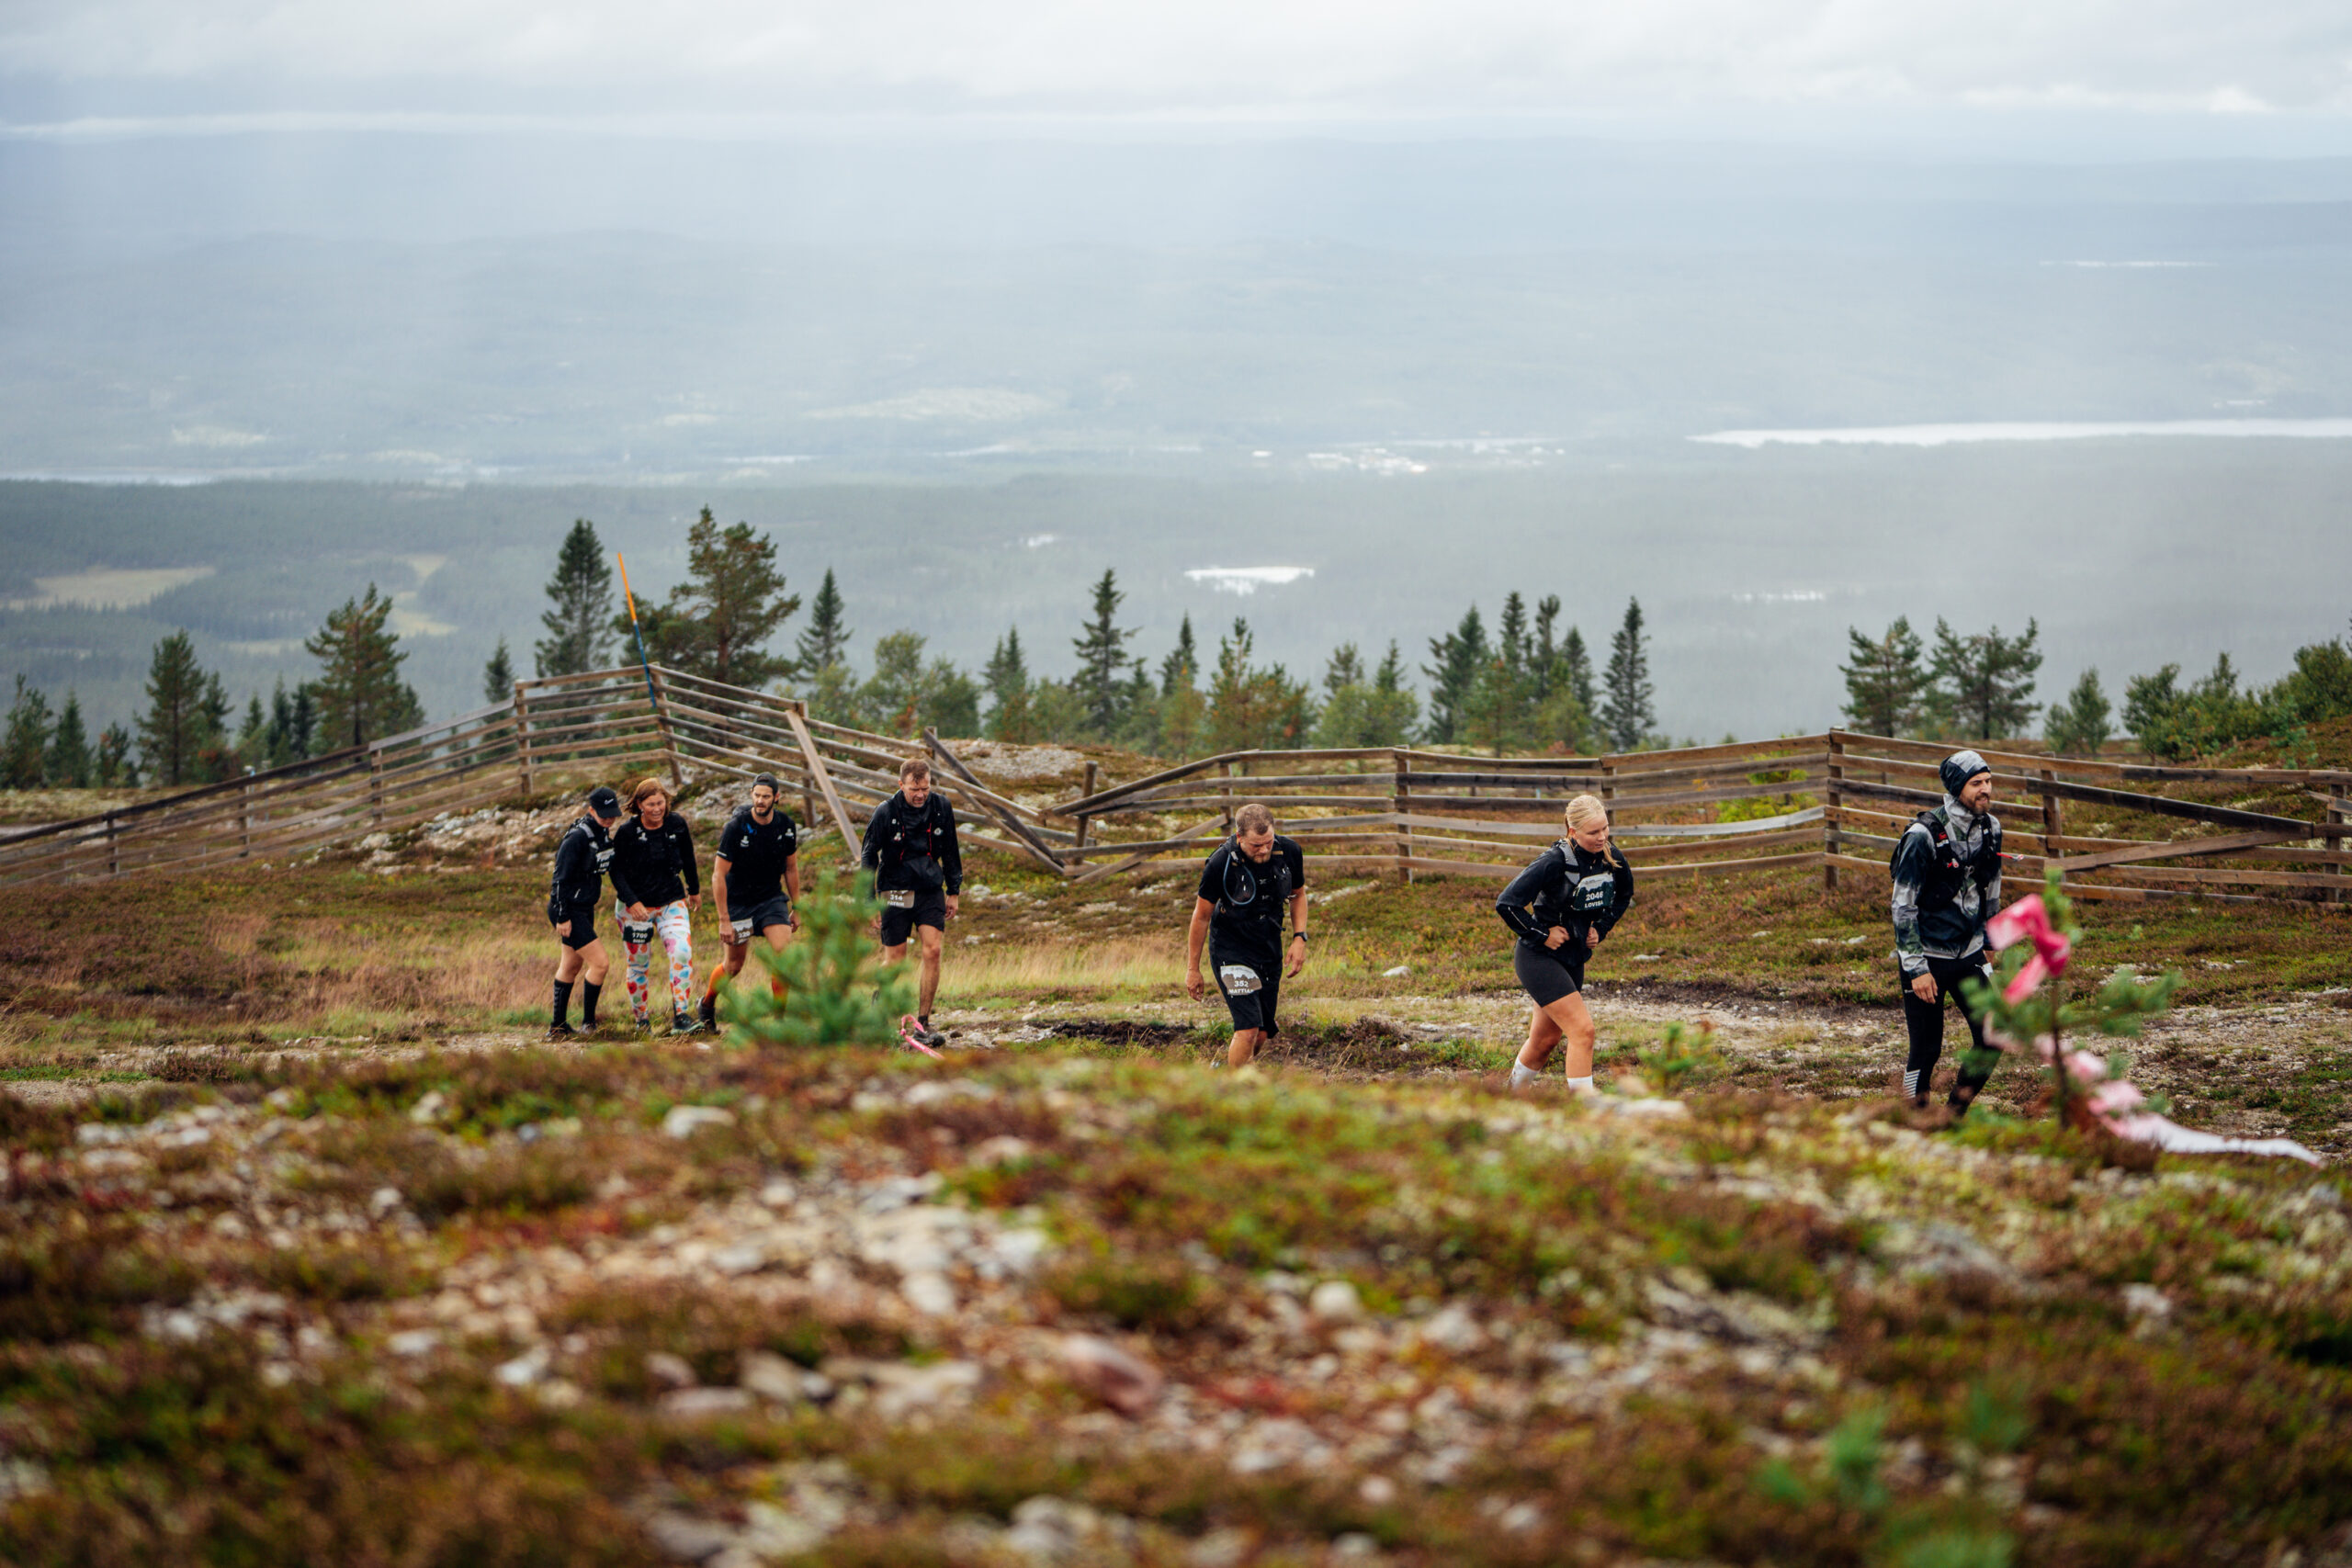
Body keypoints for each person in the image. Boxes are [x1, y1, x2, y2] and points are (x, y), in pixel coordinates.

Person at [1893, 750, 2006, 1116]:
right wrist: (1916, 968)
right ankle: (1916, 1119)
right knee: (1926, 1050)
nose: (1986, 790)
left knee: (1992, 1037)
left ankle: (1952, 1116)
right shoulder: (1922, 835)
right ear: (1958, 787)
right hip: (1927, 958)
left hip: (1969, 954)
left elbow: (1992, 887)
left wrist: (1990, 940)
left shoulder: (1992, 827)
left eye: (1988, 781)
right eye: (1977, 783)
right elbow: (1903, 905)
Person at [1495, 793, 1634, 1092]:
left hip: (1573, 957)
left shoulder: (1611, 857)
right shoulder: (1554, 861)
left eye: (1605, 829)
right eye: (1593, 832)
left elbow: (1623, 896)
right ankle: (1586, 1110)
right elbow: (1506, 904)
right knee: (1583, 1031)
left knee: (1545, 1040)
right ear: (1573, 832)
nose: (1602, 837)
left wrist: (1601, 927)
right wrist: (1542, 934)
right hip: (1538, 957)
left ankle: (1509, 1096)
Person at [1184, 802, 1309, 1068]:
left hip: (1268, 946)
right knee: (1249, 1028)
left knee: (1262, 1033)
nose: (1264, 849)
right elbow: (1201, 916)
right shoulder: (1220, 863)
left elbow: (1298, 895)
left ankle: (1226, 1074)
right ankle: (1237, 1092)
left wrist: (1300, 938)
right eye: (1256, 845)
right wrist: (1192, 969)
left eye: (1268, 842)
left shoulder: (1289, 851)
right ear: (1239, 837)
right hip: (1231, 949)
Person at [861, 756, 962, 1048]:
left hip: (930, 888)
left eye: (925, 789)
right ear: (901, 784)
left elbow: (952, 849)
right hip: (895, 889)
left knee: (933, 950)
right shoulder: (885, 812)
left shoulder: (942, 807)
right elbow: (868, 855)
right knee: (896, 959)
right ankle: (878, 1010)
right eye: (914, 789)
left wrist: (953, 890)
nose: (920, 795)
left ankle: (924, 1021)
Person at [700, 772, 801, 1031]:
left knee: (783, 958)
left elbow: (791, 869)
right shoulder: (735, 828)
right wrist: (724, 919)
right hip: (739, 903)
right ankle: (707, 1004)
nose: (760, 801)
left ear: (776, 798)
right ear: (751, 795)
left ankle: (779, 1021)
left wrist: (797, 907)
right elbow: (718, 874)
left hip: (770, 899)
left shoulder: (786, 826)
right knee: (734, 966)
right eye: (757, 795)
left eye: (766, 796)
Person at [608, 777, 704, 1035]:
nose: (657, 809)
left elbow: (688, 857)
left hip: (671, 900)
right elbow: (615, 872)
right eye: (651, 804)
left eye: (661, 803)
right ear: (639, 805)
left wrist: (694, 890)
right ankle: (642, 1020)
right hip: (635, 908)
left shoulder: (677, 824)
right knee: (639, 965)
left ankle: (681, 1016)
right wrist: (633, 902)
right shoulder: (627, 833)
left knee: (682, 953)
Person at [546, 784, 624, 1039]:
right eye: (604, 814)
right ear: (591, 810)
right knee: (600, 964)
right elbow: (560, 879)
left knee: (570, 965)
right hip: (568, 909)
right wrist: (563, 916)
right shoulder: (577, 838)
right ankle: (589, 1024)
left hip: (583, 907)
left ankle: (557, 1027)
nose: (609, 819)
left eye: (612, 814)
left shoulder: (602, 834)